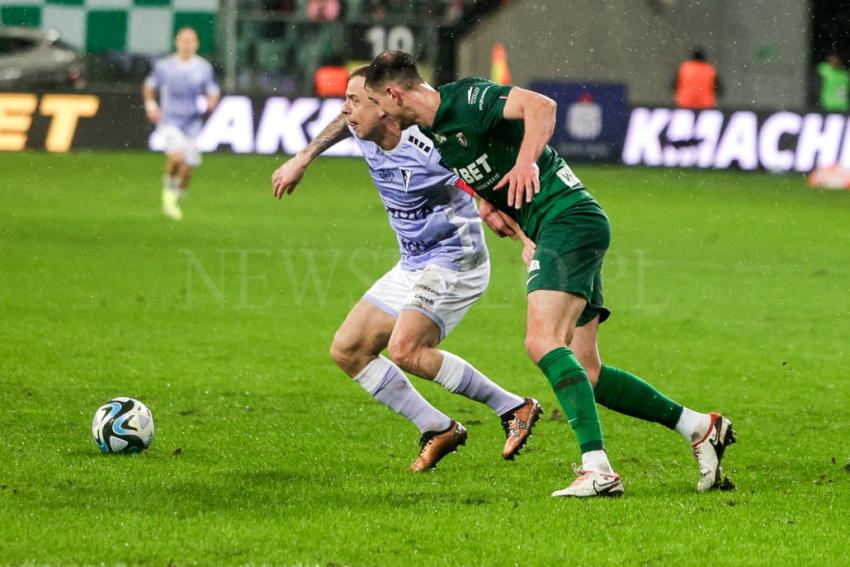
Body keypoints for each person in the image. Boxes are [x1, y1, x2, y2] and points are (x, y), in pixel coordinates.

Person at [364, 50, 736, 497]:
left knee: (542, 342)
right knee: (586, 371)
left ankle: (597, 470)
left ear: (392, 93)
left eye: (376, 102)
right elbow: (478, 170)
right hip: (561, 226)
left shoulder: (464, 98)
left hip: (567, 218)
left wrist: (526, 161)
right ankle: (699, 427)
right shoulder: (434, 132)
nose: (379, 114)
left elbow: (542, 106)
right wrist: (498, 212)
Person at [271, 67, 543, 472]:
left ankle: (513, 406)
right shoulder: (363, 128)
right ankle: (436, 427)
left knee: (406, 350)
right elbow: (342, 124)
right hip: (413, 263)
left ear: (383, 107)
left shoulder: (431, 146)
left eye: (355, 101)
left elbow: (485, 187)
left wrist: (526, 241)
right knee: (348, 350)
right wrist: (303, 158)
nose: (346, 110)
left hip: (455, 258)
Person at [143, 28, 220, 221]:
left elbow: (213, 90)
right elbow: (149, 86)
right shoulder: (165, 66)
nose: (187, 45)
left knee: (186, 170)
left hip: (192, 123)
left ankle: (176, 198)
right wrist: (151, 106)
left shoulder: (203, 68)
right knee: (176, 158)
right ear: (177, 43)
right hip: (170, 120)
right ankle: (168, 198)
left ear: (197, 44)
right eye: (183, 41)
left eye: (191, 41)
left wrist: (211, 101)